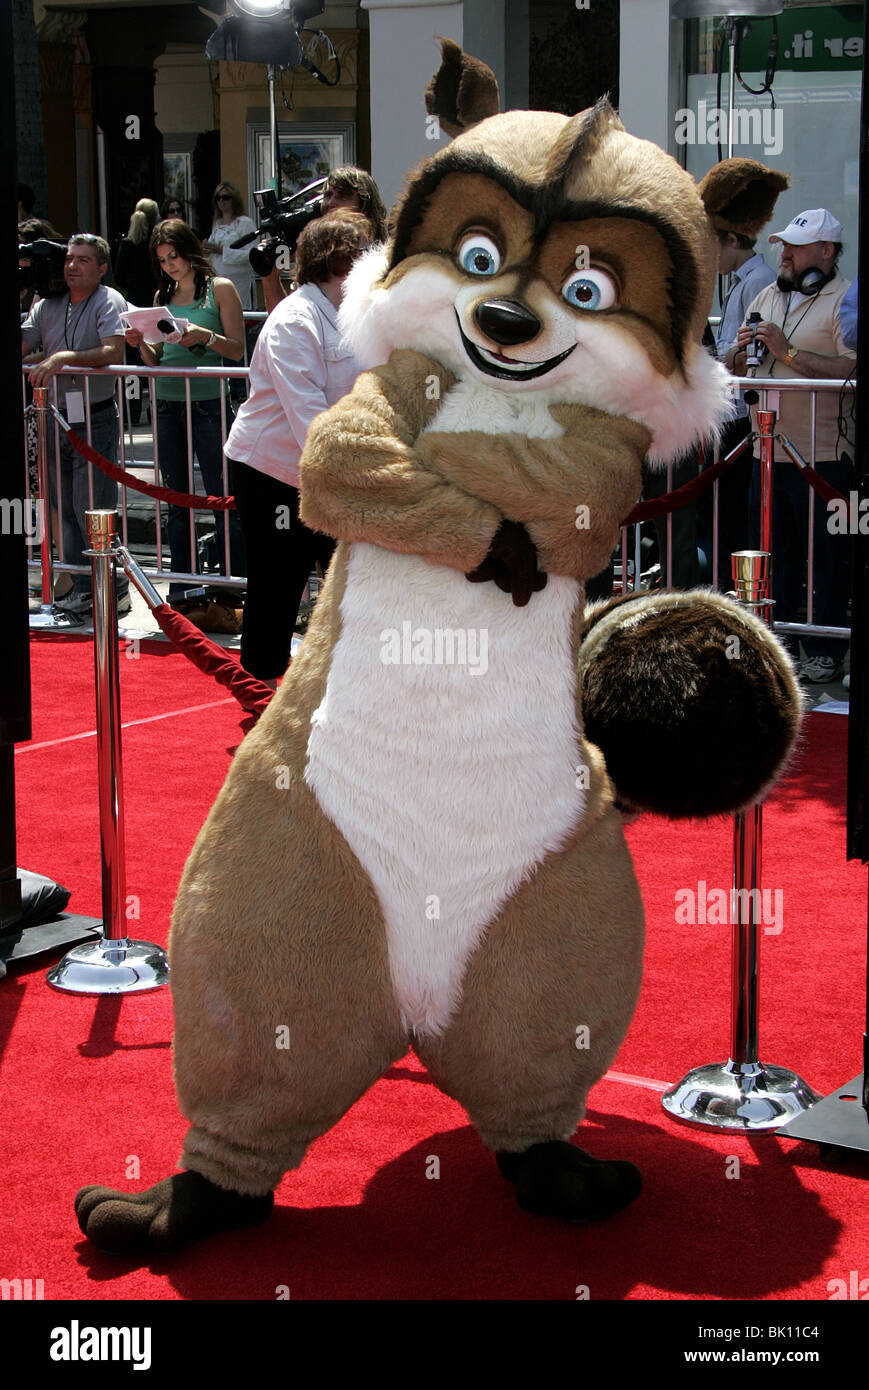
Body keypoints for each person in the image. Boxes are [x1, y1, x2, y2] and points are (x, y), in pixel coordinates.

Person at [226, 210, 372, 682]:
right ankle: (259, 692)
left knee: (349, 585)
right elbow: (308, 417)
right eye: (367, 254)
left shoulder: (354, 316)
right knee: (277, 586)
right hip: (275, 474)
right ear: (338, 262)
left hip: (334, 470)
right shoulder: (294, 320)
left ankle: (340, 690)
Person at [728, 208, 857, 682]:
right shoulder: (766, 294)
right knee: (770, 554)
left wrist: (790, 354)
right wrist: (740, 351)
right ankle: (774, 641)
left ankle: (824, 647)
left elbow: (852, 371)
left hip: (820, 455)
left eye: (796, 247)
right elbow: (731, 364)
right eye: (783, 245)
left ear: (826, 252)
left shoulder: (844, 300)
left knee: (824, 558)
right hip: (764, 453)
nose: (784, 254)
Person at [123, 219, 246, 608]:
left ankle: (231, 584)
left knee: (220, 495)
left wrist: (204, 335)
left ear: (189, 251)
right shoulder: (164, 294)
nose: (170, 265)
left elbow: (238, 349)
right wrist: (140, 343)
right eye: (162, 260)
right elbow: (158, 358)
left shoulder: (219, 289)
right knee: (176, 499)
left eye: (173, 256)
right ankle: (182, 587)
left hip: (208, 402)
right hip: (168, 402)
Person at [20, 233, 130, 615]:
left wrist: (63, 358)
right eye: (69, 258)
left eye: (83, 260)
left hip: (94, 416)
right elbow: (24, 343)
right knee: (62, 506)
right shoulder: (46, 303)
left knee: (92, 507)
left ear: (101, 268)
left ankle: (107, 587)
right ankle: (78, 584)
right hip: (54, 416)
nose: (72, 266)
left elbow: (112, 349)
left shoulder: (109, 299)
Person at [700, 160, 786, 589]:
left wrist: (721, 359)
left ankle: (735, 590)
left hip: (740, 415)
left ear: (732, 239)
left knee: (732, 511)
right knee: (724, 510)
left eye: (715, 246)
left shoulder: (757, 282)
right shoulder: (746, 279)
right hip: (731, 411)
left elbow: (745, 351)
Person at [262, 166, 387, 313]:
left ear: (365, 205)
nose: (331, 202)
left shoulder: (383, 260)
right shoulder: (316, 258)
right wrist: (270, 279)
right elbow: (288, 321)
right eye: (328, 195)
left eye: (343, 196)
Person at [114, 198, 160, 426]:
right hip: (156, 303)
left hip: (134, 305)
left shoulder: (128, 243)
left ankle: (131, 413)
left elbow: (119, 276)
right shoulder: (157, 243)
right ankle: (156, 407)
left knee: (133, 363)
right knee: (156, 358)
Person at [202, 181, 259, 311]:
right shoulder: (217, 224)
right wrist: (206, 249)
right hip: (218, 280)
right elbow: (212, 253)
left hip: (239, 283)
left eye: (226, 197)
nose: (221, 201)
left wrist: (223, 251)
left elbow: (252, 254)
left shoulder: (245, 223)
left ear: (234, 199)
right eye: (218, 198)